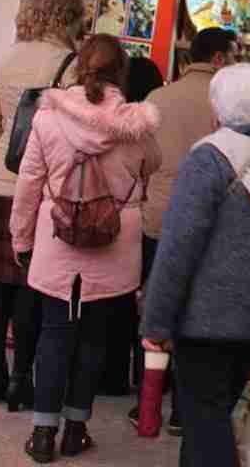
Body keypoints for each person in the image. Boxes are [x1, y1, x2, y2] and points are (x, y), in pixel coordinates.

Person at [142, 63, 250, 467]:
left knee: (206, 423)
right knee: (213, 422)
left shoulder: (209, 160)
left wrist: (156, 321)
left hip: (206, 322)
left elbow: (178, 247)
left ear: (215, 107)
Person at [11, 34, 161, 463]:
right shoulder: (138, 125)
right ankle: (76, 430)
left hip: (59, 238)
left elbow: (29, 183)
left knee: (54, 335)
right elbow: (154, 164)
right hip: (115, 244)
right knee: (95, 339)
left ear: (79, 68)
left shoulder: (48, 117)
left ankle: (43, 433)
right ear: (121, 73)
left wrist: (21, 238)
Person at [0, 0, 83, 409]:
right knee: (30, 287)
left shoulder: (8, 58)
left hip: (1, 183)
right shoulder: (69, 65)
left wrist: (6, 152)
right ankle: (21, 377)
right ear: (69, 16)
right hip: (43, 191)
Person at [130, 27, 238, 434]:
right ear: (218, 59)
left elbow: (139, 156)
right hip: (209, 222)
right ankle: (181, 408)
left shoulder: (158, 97)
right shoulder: (225, 104)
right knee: (193, 313)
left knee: (153, 307)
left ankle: (146, 400)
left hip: (156, 215)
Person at [99, 56, 167, 398]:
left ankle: (109, 372)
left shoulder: (106, 118)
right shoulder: (142, 126)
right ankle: (143, 374)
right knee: (140, 299)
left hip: (105, 215)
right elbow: (154, 161)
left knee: (111, 300)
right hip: (138, 215)